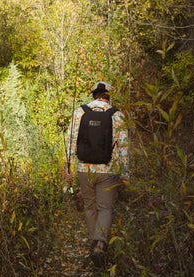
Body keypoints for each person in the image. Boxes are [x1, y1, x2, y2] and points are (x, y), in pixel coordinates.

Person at [64, 81, 130, 267]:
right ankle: (99, 246)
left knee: (90, 208)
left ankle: (93, 244)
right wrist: (125, 175)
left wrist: (67, 167)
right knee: (105, 208)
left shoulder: (79, 112)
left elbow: (70, 141)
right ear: (109, 96)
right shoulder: (117, 115)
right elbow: (123, 148)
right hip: (107, 170)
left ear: (94, 95)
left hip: (84, 169)